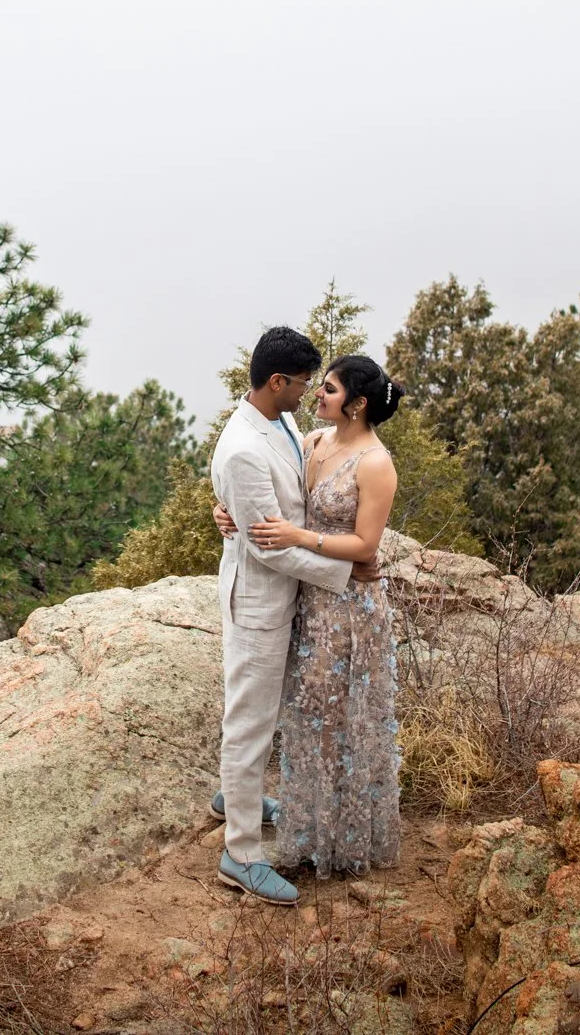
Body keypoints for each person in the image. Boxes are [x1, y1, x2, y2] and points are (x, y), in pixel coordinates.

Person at [232, 353, 405, 878]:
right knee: (308, 718)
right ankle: (305, 828)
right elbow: (278, 498)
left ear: (356, 405)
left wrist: (298, 537)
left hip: (350, 612)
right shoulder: (311, 442)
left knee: (342, 722)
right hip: (310, 602)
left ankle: (343, 838)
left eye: (327, 389)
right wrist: (233, 513)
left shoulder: (376, 463)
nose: (316, 396)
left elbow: (365, 544)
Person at [208, 327, 356, 905]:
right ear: (276, 382)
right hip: (259, 602)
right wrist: (347, 571)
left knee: (260, 716)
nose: (308, 393)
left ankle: (231, 796)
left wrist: (230, 512)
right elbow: (269, 544)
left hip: (283, 592)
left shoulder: (280, 421)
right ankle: (239, 851)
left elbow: (270, 499)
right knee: (249, 723)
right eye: (301, 383)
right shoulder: (242, 447)